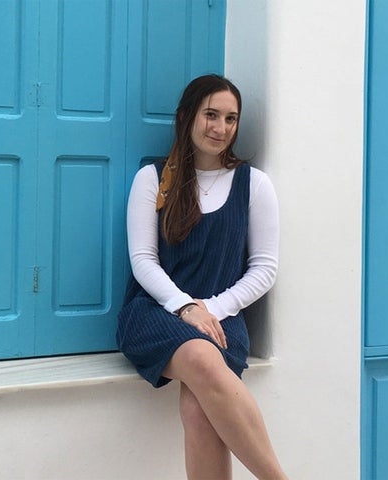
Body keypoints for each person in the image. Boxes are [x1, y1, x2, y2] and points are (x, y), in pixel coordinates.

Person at [117, 74, 287, 479]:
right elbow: (143, 261)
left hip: (222, 318)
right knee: (199, 356)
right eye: (211, 115)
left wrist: (210, 308)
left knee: (198, 410)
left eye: (231, 118)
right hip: (155, 313)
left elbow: (265, 269)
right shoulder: (153, 178)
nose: (220, 128)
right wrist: (186, 307)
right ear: (186, 117)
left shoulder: (254, 184)